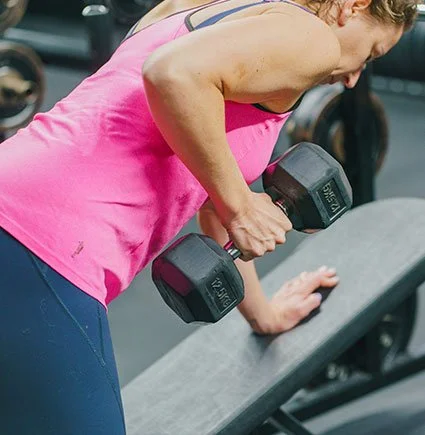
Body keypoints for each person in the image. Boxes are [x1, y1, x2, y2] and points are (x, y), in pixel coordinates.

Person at [0, 0, 417, 433]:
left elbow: (206, 190)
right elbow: (173, 74)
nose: (352, 78)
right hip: (41, 248)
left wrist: (263, 314)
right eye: (369, 54)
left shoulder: (203, 8)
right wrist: (242, 204)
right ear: (353, 7)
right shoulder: (312, 39)